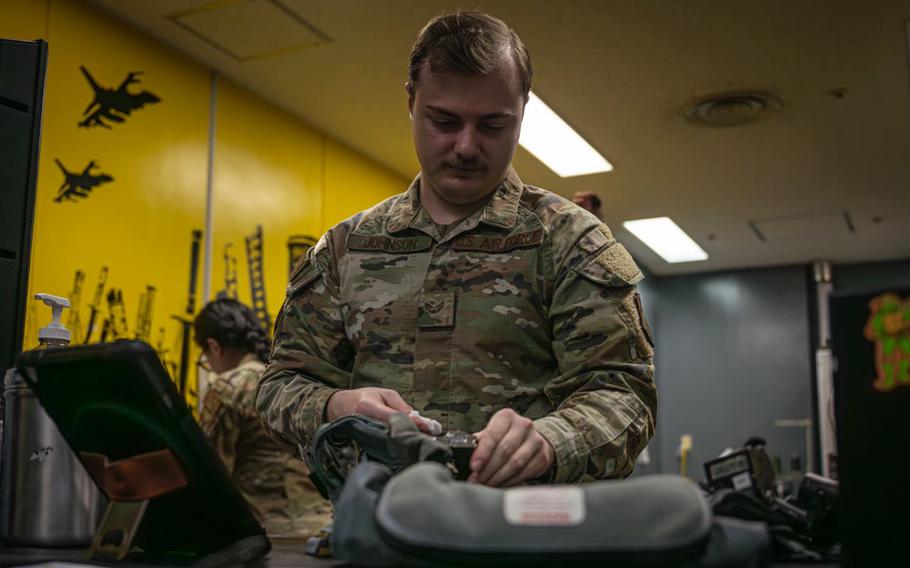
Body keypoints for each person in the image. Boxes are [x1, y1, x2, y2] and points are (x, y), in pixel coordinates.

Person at [258, 11, 656, 486]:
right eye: (444, 121)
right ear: (411, 101)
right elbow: (280, 388)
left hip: (527, 530)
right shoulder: (346, 249)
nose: (466, 146)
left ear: (522, 113)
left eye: (492, 126)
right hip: (380, 529)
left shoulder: (570, 241)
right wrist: (334, 406)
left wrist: (553, 440)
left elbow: (624, 393)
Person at [193, 298, 331, 535]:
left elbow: (207, 472)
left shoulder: (230, 386)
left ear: (214, 347)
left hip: (267, 531)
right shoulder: (296, 383)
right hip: (323, 527)